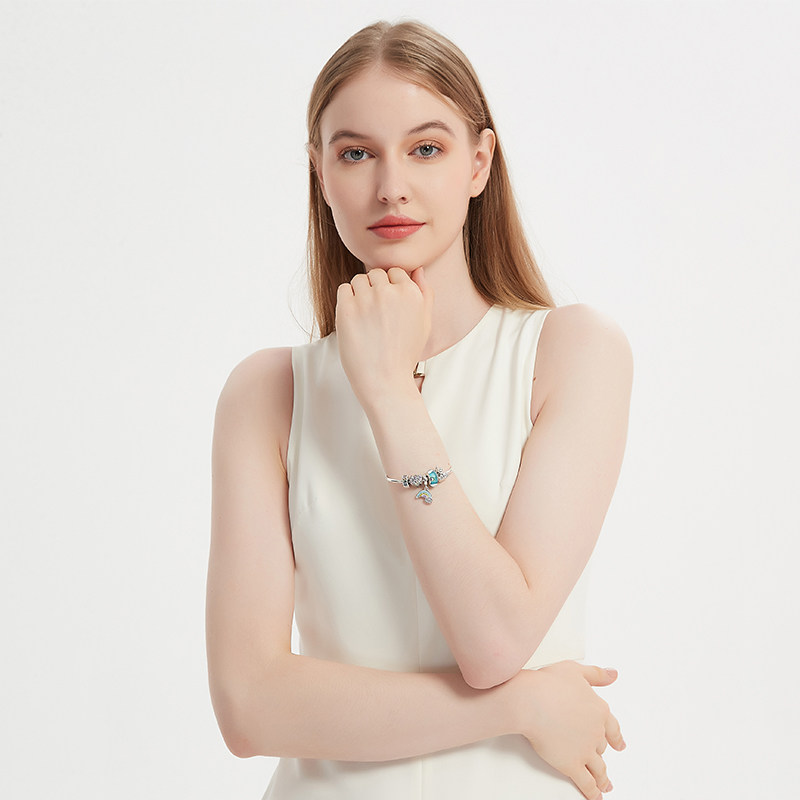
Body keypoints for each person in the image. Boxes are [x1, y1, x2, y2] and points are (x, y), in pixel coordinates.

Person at [206, 19, 633, 800]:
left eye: (426, 148)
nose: (390, 186)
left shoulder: (572, 353)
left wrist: (388, 394)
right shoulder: (265, 394)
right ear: (319, 172)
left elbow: (494, 640)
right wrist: (522, 706)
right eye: (356, 153)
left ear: (479, 162)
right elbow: (249, 706)